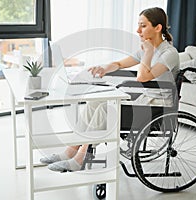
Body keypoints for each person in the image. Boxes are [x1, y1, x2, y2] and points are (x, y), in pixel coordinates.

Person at [40, 7, 180, 172]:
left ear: (158, 28)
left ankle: (80, 158)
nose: (137, 30)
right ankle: (70, 151)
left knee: (104, 109)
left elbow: (143, 77)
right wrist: (104, 68)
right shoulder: (146, 49)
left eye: (143, 25)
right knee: (95, 102)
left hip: (158, 106)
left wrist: (148, 53)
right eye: (138, 25)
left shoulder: (169, 53)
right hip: (144, 98)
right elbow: (120, 64)